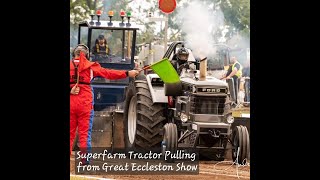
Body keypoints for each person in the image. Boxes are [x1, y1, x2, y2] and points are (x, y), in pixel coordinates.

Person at [70, 44, 139, 163]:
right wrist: (127, 74)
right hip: (85, 104)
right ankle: (85, 161)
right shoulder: (91, 67)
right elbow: (109, 73)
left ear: (74, 54)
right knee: (84, 134)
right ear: (87, 55)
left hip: (71, 102)